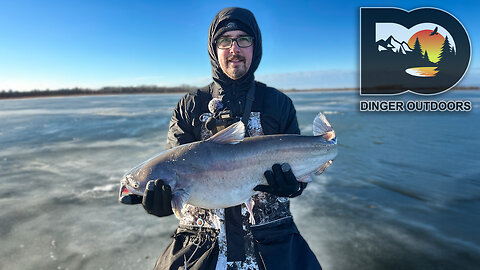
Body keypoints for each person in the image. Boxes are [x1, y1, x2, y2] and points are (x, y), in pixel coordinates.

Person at [130, 7, 322, 270]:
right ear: (214, 48)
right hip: (200, 244)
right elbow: (174, 165)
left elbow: (300, 165)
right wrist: (160, 201)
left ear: (255, 46)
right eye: (225, 40)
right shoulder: (190, 106)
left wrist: (293, 186)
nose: (234, 49)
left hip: (273, 241)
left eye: (244, 39)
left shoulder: (278, 103)